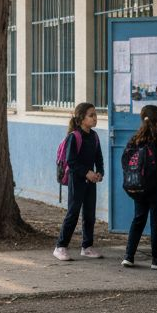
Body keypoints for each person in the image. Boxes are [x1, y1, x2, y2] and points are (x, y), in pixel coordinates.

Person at [120, 104, 157, 270]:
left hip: (139, 187)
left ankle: (128, 256)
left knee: (138, 219)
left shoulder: (135, 139)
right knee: (156, 222)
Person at [53, 102, 104, 261]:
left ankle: (87, 247)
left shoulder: (94, 136)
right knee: (73, 213)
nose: (95, 118)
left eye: (95, 115)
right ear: (81, 118)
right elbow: (71, 161)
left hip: (91, 181)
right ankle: (60, 247)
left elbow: (99, 158)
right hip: (77, 180)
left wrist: (99, 173)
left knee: (90, 214)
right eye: (91, 115)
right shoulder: (74, 137)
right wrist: (86, 173)